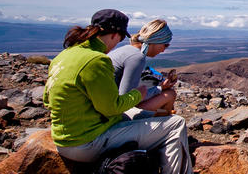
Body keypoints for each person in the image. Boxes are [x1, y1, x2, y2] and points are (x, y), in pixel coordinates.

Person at [43, 9, 192, 174]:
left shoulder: (65, 55)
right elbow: (115, 106)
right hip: (86, 142)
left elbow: (47, 99)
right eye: (120, 38)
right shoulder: (97, 60)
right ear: (115, 34)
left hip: (65, 138)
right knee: (176, 124)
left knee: (155, 119)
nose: (118, 44)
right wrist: (140, 93)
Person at [108, 19, 177, 115]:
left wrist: (161, 87)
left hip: (107, 106)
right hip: (115, 113)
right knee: (169, 94)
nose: (163, 50)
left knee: (164, 100)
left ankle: (162, 116)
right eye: (165, 45)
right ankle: (162, 120)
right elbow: (125, 98)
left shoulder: (126, 50)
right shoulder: (136, 57)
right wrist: (159, 89)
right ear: (155, 40)